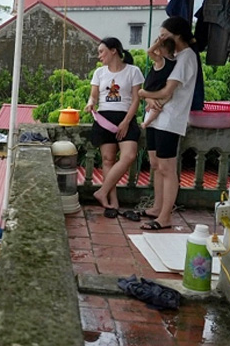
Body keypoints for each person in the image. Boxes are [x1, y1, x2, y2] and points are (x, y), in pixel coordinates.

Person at [136, 16, 198, 231]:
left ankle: (165, 217)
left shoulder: (186, 57)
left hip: (170, 119)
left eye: (164, 35)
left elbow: (167, 91)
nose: (161, 39)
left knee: (166, 168)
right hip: (157, 117)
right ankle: (157, 207)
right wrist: (150, 98)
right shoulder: (174, 57)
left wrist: (144, 93)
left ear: (177, 35)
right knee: (155, 164)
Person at [84, 37, 144, 220]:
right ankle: (112, 203)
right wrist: (90, 104)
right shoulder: (99, 73)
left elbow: (136, 100)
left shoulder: (133, 71)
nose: (99, 55)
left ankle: (102, 191)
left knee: (129, 156)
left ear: (113, 51)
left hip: (125, 117)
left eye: (101, 51)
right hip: (104, 118)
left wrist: (126, 121)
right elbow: (94, 96)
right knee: (108, 160)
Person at [142, 37, 177, 129]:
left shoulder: (161, 60)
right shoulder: (173, 61)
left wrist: (158, 43)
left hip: (154, 88)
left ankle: (147, 122)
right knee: (157, 105)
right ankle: (148, 111)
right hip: (157, 88)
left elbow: (149, 51)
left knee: (157, 107)